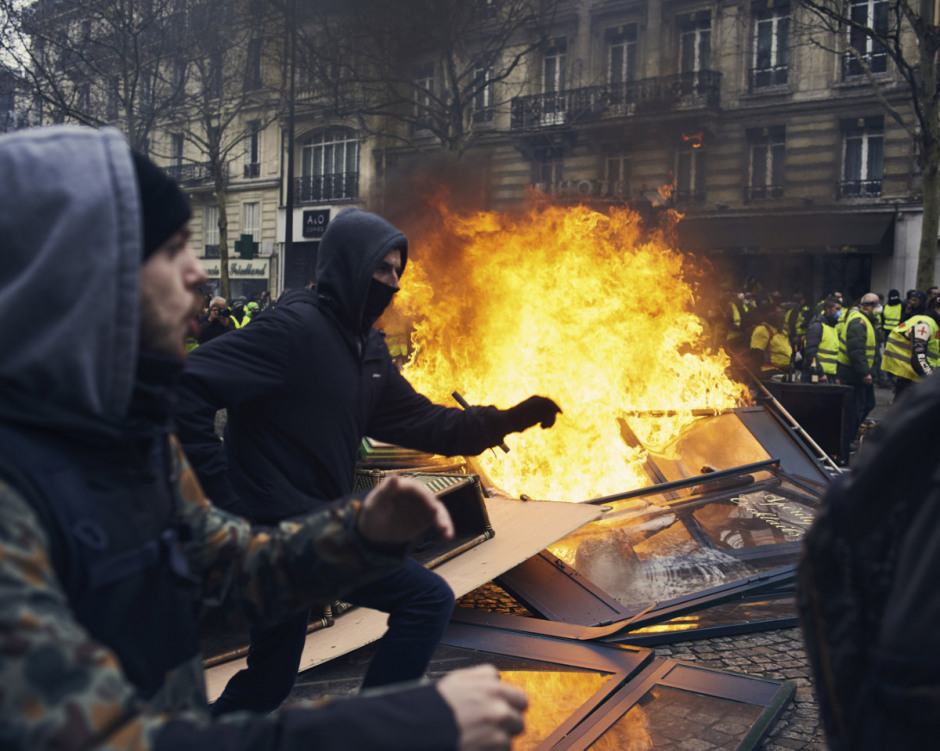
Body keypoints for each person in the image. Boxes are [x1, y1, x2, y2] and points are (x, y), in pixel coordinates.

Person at [0, 125, 527, 751]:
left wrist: (357, 537)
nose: (200, 275)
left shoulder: (135, 445)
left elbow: (230, 572)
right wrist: (395, 726)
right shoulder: (15, 489)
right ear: (81, 273)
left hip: (295, 522)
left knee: (271, 674)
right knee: (297, 664)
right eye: (171, 251)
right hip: (273, 519)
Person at [176, 207, 562, 715]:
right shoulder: (291, 331)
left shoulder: (368, 353)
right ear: (347, 265)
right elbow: (183, 389)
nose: (393, 282)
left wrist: (505, 420)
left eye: (399, 270)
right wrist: (225, 496)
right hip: (278, 532)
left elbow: (426, 423)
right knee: (425, 599)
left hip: (309, 527)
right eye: (382, 268)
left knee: (268, 682)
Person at [836, 293, 881, 462]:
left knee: (867, 404)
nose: (878, 309)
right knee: (856, 409)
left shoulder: (864, 320)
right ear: (867, 306)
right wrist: (865, 372)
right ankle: (846, 441)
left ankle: (849, 437)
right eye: (875, 305)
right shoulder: (858, 321)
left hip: (859, 374)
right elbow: (856, 350)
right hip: (855, 375)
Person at [881, 293, 940, 402]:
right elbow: (918, 357)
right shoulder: (925, 324)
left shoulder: (935, 325)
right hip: (911, 383)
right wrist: (933, 379)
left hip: (918, 381)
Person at [745, 298, 793, 380]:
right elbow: (756, 354)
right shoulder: (763, 330)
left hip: (784, 372)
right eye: (778, 313)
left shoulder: (781, 332)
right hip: (769, 373)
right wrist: (758, 374)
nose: (780, 315)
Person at [801, 295, 842, 384]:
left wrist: (836, 376)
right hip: (816, 375)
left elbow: (835, 355)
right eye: (837, 309)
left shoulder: (833, 327)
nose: (840, 312)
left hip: (829, 375)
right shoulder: (818, 326)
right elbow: (810, 352)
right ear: (828, 309)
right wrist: (820, 373)